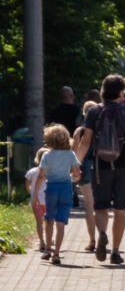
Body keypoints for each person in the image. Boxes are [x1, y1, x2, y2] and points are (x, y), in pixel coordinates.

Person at [78, 74, 125, 265]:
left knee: (100, 207)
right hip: (124, 166)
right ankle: (115, 252)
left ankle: (102, 233)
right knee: (120, 211)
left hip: (100, 166)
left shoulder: (94, 112)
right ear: (121, 92)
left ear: (103, 90)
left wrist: (76, 164)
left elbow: (85, 142)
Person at [39, 124, 81, 266]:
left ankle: (48, 249)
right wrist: (73, 177)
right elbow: (77, 174)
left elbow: (41, 174)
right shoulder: (70, 154)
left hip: (52, 188)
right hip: (66, 188)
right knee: (61, 221)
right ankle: (56, 253)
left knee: (49, 219)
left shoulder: (46, 155)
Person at [70, 101, 101, 250]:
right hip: (102, 167)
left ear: (84, 113)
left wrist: (73, 170)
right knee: (101, 205)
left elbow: (74, 152)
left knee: (89, 205)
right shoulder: (103, 128)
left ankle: (92, 240)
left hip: (85, 168)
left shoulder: (80, 131)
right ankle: (102, 234)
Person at [22, 149, 47, 256]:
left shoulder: (31, 172)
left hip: (36, 200)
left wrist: (32, 193)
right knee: (49, 221)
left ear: (37, 158)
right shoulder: (51, 171)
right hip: (48, 200)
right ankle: (49, 238)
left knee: (39, 222)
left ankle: (41, 241)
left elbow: (27, 185)